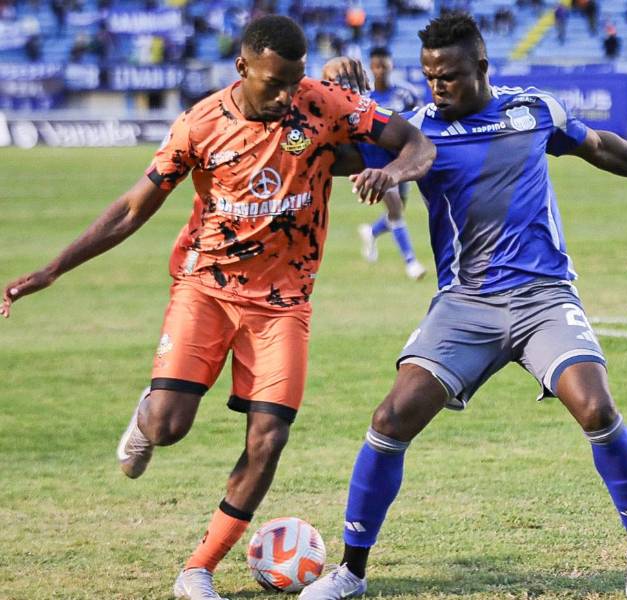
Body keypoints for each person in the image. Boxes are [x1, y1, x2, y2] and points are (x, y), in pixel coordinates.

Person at [0, 15, 434, 600]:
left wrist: (389, 171)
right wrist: (54, 268)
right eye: (275, 83)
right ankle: (151, 409)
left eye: (296, 81)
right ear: (242, 67)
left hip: (284, 303)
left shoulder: (322, 103)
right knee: (167, 427)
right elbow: (133, 208)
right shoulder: (200, 124)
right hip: (206, 288)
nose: (287, 96)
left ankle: (197, 569)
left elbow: (413, 143)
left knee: (269, 439)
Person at [306, 12, 627, 600]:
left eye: (448, 75)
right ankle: (351, 571)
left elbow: (600, 147)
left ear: (481, 68)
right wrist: (332, 95)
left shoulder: (532, 111)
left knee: (596, 409)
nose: (436, 86)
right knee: (388, 421)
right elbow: (334, 151)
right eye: (428, 75)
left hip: (543, 297)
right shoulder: (418, 128)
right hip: (464, 303)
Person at [357, 47, 428, 280]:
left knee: (397, 210)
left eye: (384, 66)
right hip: (376, 160)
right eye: (376, 66)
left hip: (401, 159)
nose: (380, 71)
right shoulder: (364, 99)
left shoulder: (405, 94)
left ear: (391, 66)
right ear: (371, 68)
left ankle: (371, 231)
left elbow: (420, 122)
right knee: (396, 211)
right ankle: (411, 263)